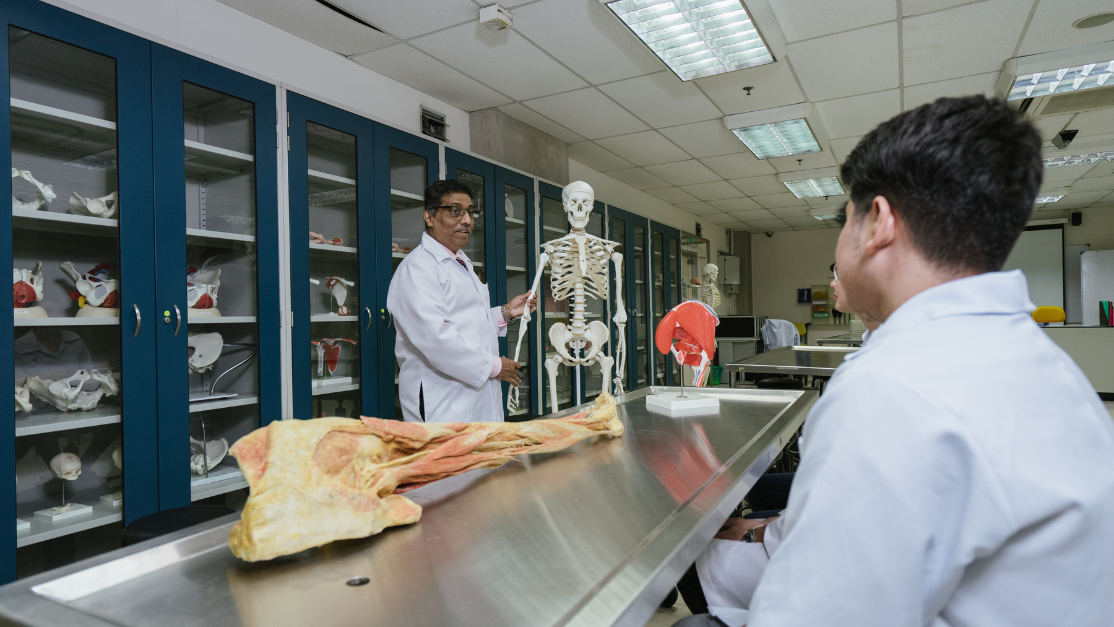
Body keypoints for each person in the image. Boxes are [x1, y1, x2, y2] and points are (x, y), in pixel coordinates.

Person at [680, 96, 1114, 627]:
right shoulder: (1037, 363)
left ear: (878, 222)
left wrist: (757, 536)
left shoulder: (893, 389)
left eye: (845, 220)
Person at [387, 180, 536, 423]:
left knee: (484, 457)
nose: (466, 220)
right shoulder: (417, 269)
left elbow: (464, 319)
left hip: (471, 397)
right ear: (429, 216)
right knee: (448, 459)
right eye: (455, 211)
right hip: (442, 400)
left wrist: (505, 313)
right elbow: (437, 339)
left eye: (470, 212)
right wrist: (495, 367)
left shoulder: (460, 261)